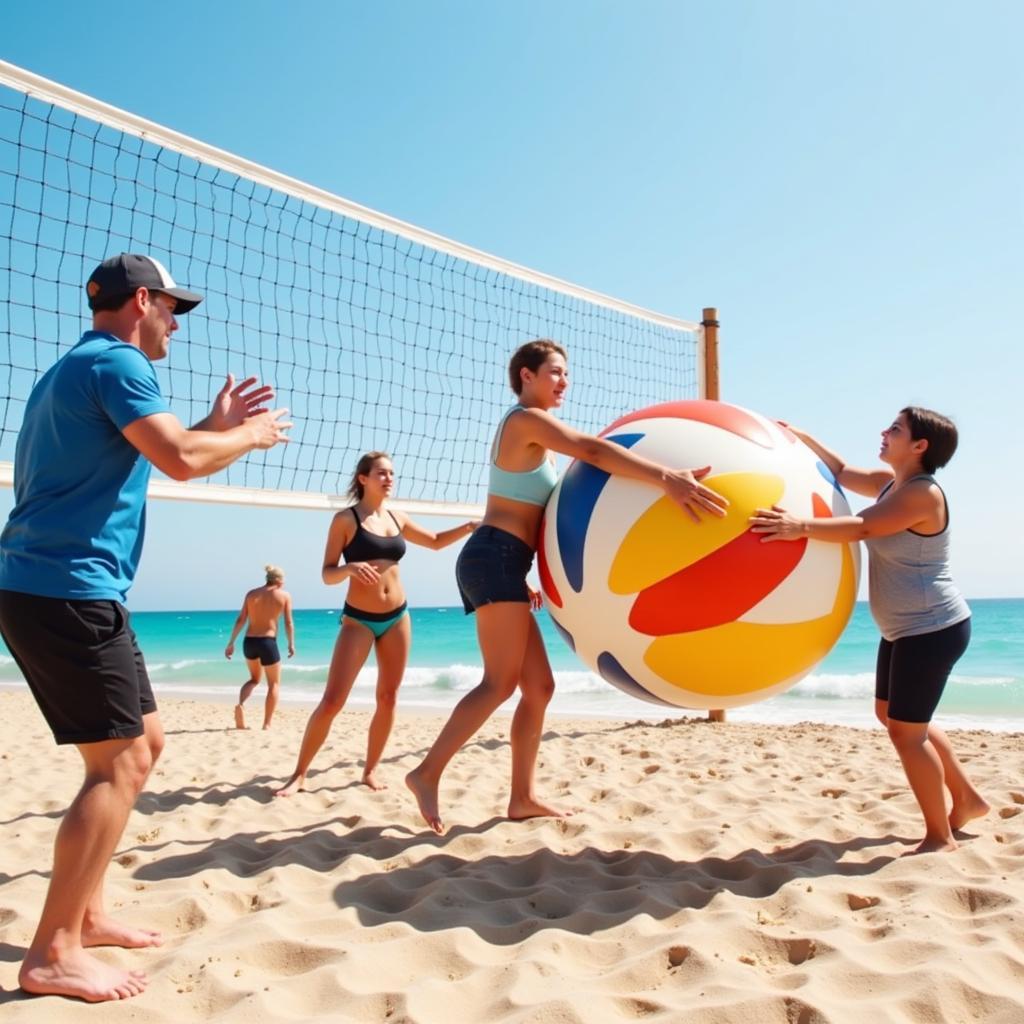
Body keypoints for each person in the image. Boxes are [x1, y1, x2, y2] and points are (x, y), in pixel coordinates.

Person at [0, 252, 291, 1002]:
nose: (175, 324)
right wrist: (248, 434)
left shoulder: (79, 367)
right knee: (120, 763)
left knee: (145, 744)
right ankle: (53, 952)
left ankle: (87, 913)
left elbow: (166, 450)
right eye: (171, 308)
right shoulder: (120, 364)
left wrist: (210, 426)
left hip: (65, 586)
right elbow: (185, 461)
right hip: (62, 588)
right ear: (140, 302)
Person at [405, 339, 729, 834]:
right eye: (555, 372)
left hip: (507, 563)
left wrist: (529, 575)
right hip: (491, 557)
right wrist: (666, 477)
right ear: (526, 376)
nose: (564, 381)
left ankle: (522, 797)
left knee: (539, 687)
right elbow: (593, 451)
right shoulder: (524, 421)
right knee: (500, 684)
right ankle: (426, 774)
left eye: (566, 373)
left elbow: (536, 514)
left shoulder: (533, 431)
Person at [749, 407, 989, 854]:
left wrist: (796, 527)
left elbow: (861, 527)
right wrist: (802, 433)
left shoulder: (923, 496)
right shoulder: (889, 484)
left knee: (906, 733)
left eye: (896, 429)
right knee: (893, 717)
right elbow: (839, 471)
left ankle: (940, 837)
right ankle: (968, 800)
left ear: (920, 446)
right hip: (904, 629)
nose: (885, 431)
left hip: (932, 628)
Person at [276, 451, 477, 796]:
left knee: (388, 697)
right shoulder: (346, 520)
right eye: (382, 473)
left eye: (392, 474)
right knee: (333, 701)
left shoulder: (397, 518)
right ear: (363, 478)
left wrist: (470, 527)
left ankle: (369, 771)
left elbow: (433, 542)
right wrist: (349, 569)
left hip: (398, 617)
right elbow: (326, 574)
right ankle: (300, 774)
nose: (389, 479)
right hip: (359, 620)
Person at [225, 564, 296, 730]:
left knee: (254, 679)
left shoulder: (251, 594)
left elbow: (241, 620)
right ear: (278, 580)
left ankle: (241, 704)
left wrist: (231, 642)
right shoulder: (284, 596)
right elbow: (288, 622)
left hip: (249, 642)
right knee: (274, 684)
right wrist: (291, 643)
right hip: (268, 643)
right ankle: (267, 723)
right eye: (283, 579)